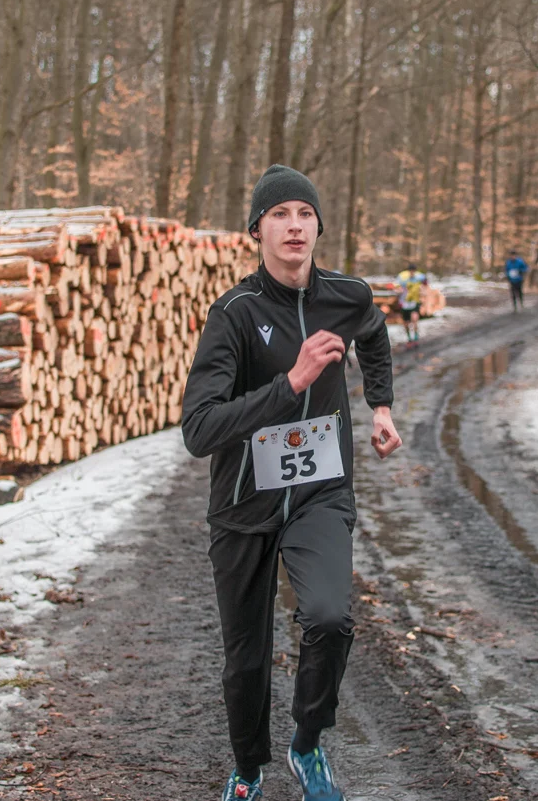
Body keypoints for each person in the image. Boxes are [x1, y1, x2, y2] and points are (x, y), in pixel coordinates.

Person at [182, 164, 402, 801]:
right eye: (279, 214)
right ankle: (248, 771)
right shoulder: (234, 314)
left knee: (330, 618)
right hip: (243, 502)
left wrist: (381, 406)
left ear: (319, 227)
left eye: (305, 214)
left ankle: (307, 746)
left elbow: (374, 335)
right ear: (257, 230)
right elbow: (199, 428)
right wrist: (292, 384)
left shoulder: (347, 296)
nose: (294, 225)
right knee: (247, 659)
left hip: (320, 490)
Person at [395, 263, 429, 344]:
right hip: (404, 302)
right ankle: (409, 337)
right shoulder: (402, 276)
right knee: (406, 322)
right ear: (408, 270)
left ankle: (416, 336)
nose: (412, 272)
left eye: (413, 271)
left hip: (415, 301)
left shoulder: (419, 276)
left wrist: (423, 290)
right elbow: (396, 286)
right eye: (411, 271)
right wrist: (399, 290)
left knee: (414, 319)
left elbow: (425, 282)